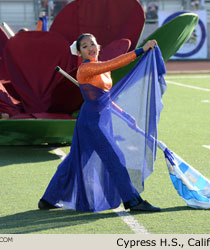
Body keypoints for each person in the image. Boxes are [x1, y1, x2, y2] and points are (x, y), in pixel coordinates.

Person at [38, 33, 162, 212]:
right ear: (79, 52)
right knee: (114, 158)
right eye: (85, 46)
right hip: (92, 123)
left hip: (103, 120)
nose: (90, 48)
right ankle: (132, 201)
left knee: (74, 160)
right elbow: (113, 63)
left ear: (99, 46)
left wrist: (125, 116)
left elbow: (106, 99)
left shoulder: (101, 69)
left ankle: (48, 199)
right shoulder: (85, 69)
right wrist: (141, 50)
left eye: (92, 44)